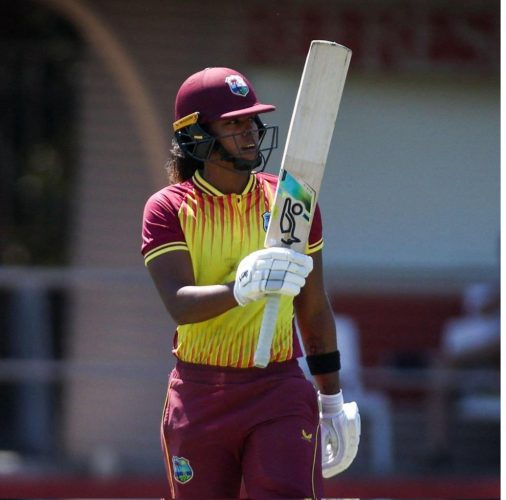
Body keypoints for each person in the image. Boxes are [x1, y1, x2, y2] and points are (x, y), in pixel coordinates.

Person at [141, 67, 360, 498]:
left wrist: (331, 399)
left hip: (277, 388)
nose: (250, 132)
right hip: (199, 393)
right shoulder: (168, 208)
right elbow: (179, 303)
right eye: (233, 123)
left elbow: (313, 308)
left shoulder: (292, 198)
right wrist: (242, 288)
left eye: (251, 120)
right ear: (198, 135)